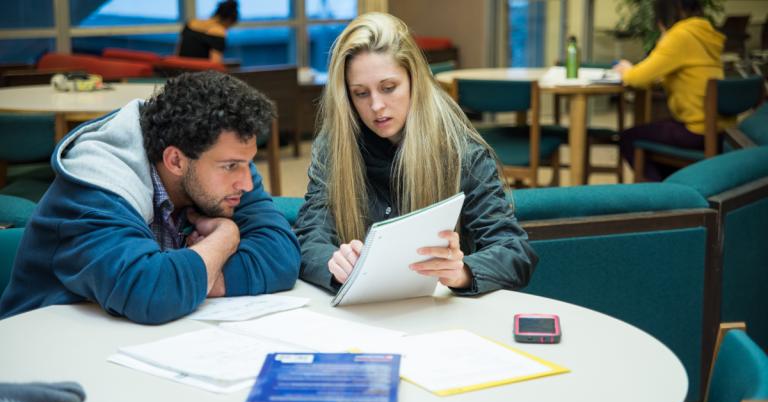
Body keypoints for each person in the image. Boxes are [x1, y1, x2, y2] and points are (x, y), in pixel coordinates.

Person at [0, 71, 301, 324]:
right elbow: (151, 292)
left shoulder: (223, 170)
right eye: (231, 166)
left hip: (131, 341)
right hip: (49, 351)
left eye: (247, 162)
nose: (247, 183)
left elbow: (281, 257)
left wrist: (191, 280)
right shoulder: (95, 185)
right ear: (175, 161)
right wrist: (225, 238)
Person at [293, 12, 537, 296]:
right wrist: (334, 265)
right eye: (360, 93)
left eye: (388, 88)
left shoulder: (461, 151)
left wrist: (462, 272)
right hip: (361, 317)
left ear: (414, 81)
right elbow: (309, 238)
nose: (376, 106)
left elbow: (515, 252)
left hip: (439, 315)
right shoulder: (334, 145)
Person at [614, 0, 727, 181]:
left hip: (697, 131)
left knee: (629, 138)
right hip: (720, 130)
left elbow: (638, 78)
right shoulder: (705, 33)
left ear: (662, 20)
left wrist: (626, 70)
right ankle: (672, 187)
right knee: (655, 131)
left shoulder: (679, 35)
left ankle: (661, 196)